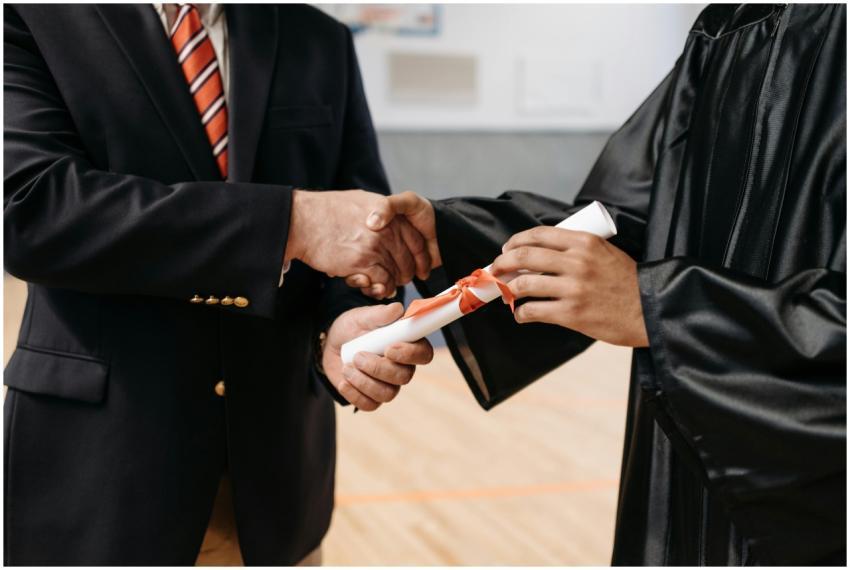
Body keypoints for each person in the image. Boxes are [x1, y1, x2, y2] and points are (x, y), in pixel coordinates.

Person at [366, 4, 846, 565]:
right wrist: (448, 234)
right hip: (690, 444)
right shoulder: (733, 23)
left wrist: (662, 309)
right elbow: (622, 219)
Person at [4, 4, 432, 565]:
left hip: (276, 489)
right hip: (98, 481)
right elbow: (32, 212)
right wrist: (292, 222)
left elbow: (361, 232)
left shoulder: (318, 37)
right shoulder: (29, 18)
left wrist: (340, 327)